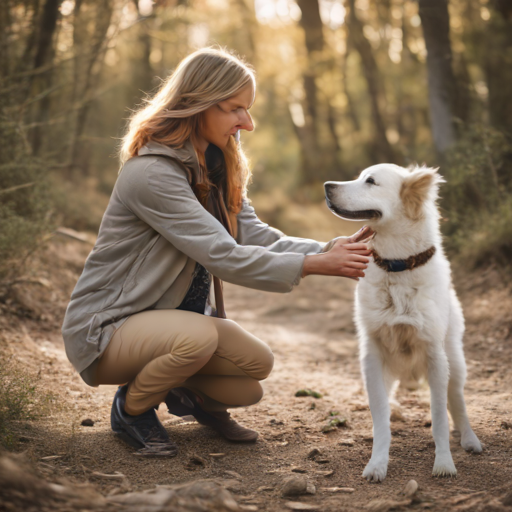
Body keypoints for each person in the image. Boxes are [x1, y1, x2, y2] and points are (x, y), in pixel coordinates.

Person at [61, 47, 372, 457]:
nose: (249, 123)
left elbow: (252, 235)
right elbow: (222, 254)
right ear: (197, 104)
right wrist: (312, 266)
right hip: (106, 328)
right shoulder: (151, 174)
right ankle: (132, 409)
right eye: (235, 109)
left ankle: (181, 390)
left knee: (252, 372)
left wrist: (326, 248)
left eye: (248, 109)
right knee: (198, 338)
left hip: (168, 325)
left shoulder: (215, 165)